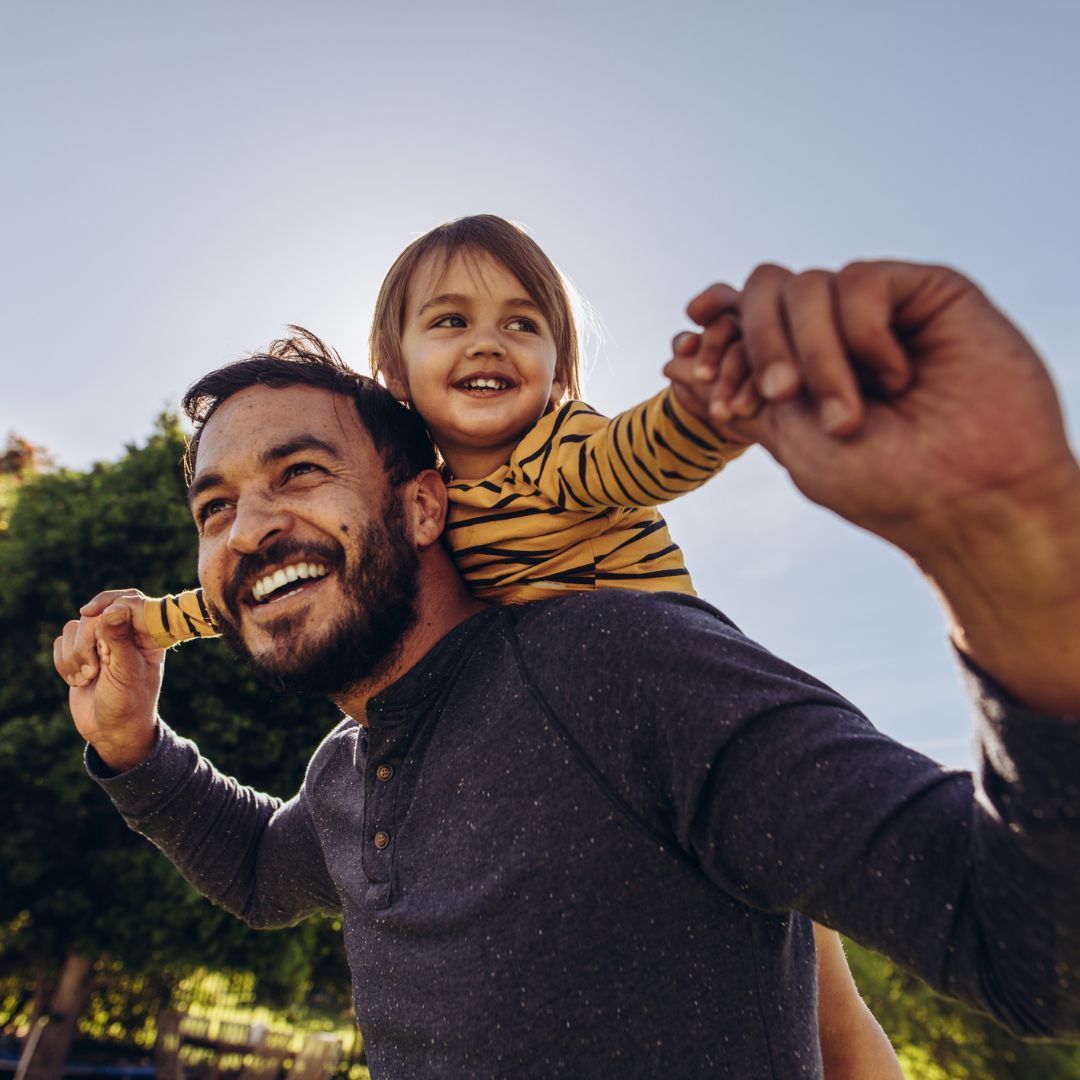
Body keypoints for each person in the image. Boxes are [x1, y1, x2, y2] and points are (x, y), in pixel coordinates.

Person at [55, 258, 1080, 1077]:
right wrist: (131, 746)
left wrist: (1018, 568)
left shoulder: (618, 663)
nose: (251, 527)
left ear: (421, 506)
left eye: (300, 473)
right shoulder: (343, 774)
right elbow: (252, 873)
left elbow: (1036, 951)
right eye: (214, 509)